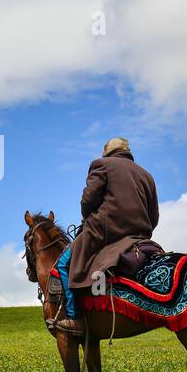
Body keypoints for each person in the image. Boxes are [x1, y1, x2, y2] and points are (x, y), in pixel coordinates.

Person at [53, 137, 160, 337]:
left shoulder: (102, 165)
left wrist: (89, 220)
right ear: (127, 151)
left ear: (106, 151)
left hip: (104, 233)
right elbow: (154, 217)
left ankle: (75, 318)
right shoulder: (147, 176)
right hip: (139, 237)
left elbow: (87, 201)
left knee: (63, 264)